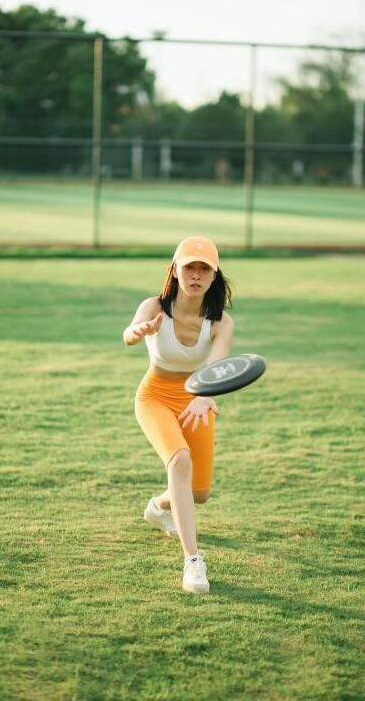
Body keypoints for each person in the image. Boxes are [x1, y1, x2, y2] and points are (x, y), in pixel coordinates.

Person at [122, 236, 234, 594]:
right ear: (175, 270)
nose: (196, 275)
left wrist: (204, 396)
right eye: (189, 267)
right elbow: (129, 334)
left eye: (204, 269)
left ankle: (158, 507)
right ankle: (193, 561)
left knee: (199, 492)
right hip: (154, 397)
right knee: (179, 460)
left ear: (214, 276)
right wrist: (138, 330)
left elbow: (216, 365)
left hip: (196, 401)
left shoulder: (221, 322)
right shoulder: (154, 306)